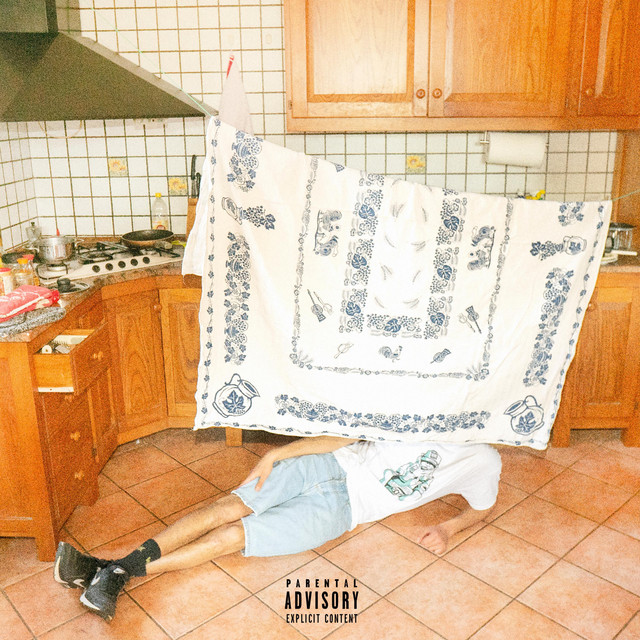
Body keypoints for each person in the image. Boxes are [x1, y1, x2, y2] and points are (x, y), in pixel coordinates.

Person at [53, 435, 501, 622]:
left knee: (234, 538)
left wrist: (448, 528)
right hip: (327, 464)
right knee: (225, 509)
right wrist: (277, 454)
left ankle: (110, 570)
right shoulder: (426, 405)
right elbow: (346, 436)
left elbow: (482, 508)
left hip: (344, 510)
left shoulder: (483, 459)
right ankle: (116, 571)